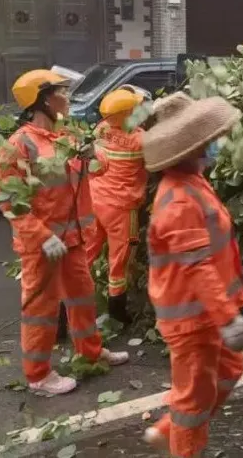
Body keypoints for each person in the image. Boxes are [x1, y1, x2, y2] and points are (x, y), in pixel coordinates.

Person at [0, 70, 130, 396]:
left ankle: (91, 353)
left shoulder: (66, 135)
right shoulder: (20, 144)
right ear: (42, 100)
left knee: (82, 297)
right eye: (62, 93)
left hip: (73, 239)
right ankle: (39, 376)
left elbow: (98, 171)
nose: (67, 99)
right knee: (41, 310)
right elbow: (7, 197)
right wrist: (41, 236)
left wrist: (91, 156)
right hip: (42, 245)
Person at [141, 92, 243, 458]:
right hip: (193, 318)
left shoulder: (193, 182)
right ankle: (182, 445)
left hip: (208, 312)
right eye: (208, 141)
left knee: (231, 368)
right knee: (193, 400)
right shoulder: (178, 201)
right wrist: (228, 319)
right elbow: (197, 266)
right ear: (192, 148)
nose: (214, 145)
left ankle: (167, 431)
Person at [88, 87, 148, 324]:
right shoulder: (139, 140)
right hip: (122, 208)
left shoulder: (100, 129)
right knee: (121, 260)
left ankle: (67, 302)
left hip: (95, 201)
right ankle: (118, 312)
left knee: (87, 253)